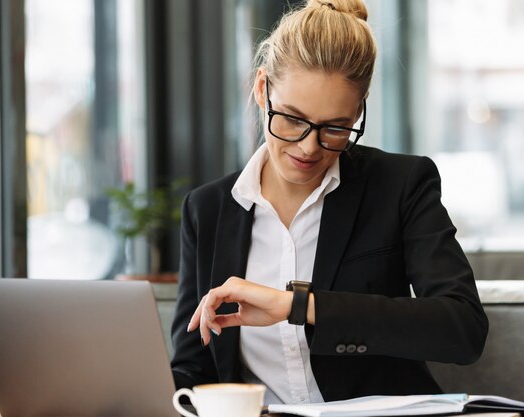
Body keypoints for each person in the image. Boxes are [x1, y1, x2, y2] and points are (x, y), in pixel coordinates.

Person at [170, 0, 488, 404]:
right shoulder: (208, 210)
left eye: (335, 128)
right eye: (292, 119)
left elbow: (462, 330)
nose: (308, 147)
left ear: (358, 109)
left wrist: (299, 305)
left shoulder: (400, 186)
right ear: (262, 89)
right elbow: (192, 367)